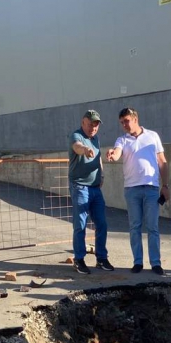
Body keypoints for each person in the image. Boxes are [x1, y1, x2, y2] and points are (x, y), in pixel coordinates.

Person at [107, 108, 169, 275]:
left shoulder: (152, 136)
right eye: (122, 122)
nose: (124, 125)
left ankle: (155, 263)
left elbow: (162, 161)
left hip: (151, 188)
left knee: (152, 227)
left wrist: (166, 185)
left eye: (127, 121)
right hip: (132, 190)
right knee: (135, 227)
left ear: (135, 119)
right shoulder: (122, 140)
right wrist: (113, 154)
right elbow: (117, 152)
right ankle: (138, 262)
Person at [68, 109, 114, 275]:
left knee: (101, 223)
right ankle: (79, 259)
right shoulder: (76, 136)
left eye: (96, 125)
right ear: (83, 122)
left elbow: (98, 158)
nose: (93, 128)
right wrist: (85, 150)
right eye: (90, 124)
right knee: (80, 224)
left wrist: (101, 174)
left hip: (95, 189)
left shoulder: (96, 139)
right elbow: (77, 147)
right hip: (80, 187)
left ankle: (101, 258)